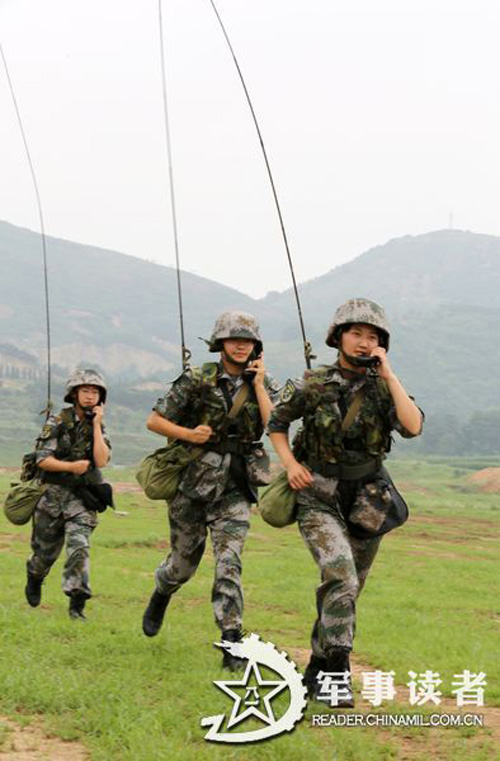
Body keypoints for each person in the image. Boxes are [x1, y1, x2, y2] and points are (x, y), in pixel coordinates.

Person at [267, 298, 423, 705]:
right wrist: (288, 464)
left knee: (349, 590)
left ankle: (315, 669)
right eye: (356, 333)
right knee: (341, 575)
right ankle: (338, 674)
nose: (364, 342)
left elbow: (413, 426)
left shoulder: (385, 388)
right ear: (338, 337)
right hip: (317, 495)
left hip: (369, 501)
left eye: (373, 337)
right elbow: (277, 423)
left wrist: (388, 374)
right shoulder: (312, 384)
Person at [141, 311, 280, 670]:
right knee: (182, 566)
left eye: (247, 340)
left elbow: (276, 424)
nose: (240, 345)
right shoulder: (197, 379)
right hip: (190, 484)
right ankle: (162, 592)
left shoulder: (262, 383)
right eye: (234, 339)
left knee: (229, 563)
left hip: (235, 486)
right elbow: (154, 420)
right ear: (220, 343)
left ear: (256, 346)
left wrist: (260, 386)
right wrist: (189, 435)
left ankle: (231, 642)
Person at [25, 368, 111, 620]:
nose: (90, 396)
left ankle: (77, 602)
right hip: (51, 496)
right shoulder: (57, 421)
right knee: (44, 555)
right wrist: (70, 467)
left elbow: (102, 460)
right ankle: (34, 576)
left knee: (79, 547)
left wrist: (96, 426)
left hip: (81, 499)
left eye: (95, 392)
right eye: (85, 391)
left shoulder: (99, 424)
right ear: (74, 394)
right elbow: (42, 460)